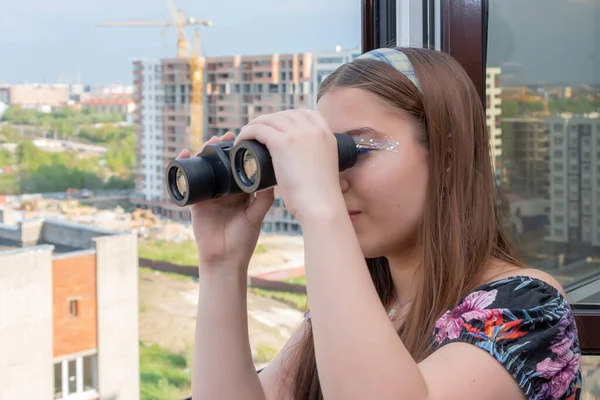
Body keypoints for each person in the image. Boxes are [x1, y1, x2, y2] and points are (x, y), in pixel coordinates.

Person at [180, 47, 582, 400]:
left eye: (354, 151)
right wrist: (222, 263)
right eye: (325, 156)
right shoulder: (359, 306)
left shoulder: (530, 310)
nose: (335, 179)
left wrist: (319, 204)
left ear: (445, 156)